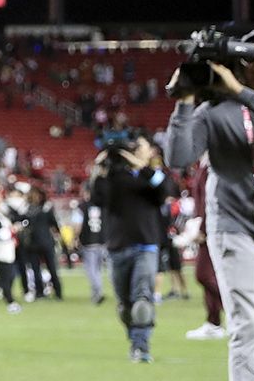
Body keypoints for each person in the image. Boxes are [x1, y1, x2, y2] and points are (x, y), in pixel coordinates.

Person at [165, 27, 254, 379]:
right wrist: (184, 102)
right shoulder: (214, 110)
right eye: (252, 53)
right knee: (249, 327)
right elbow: (177, 157)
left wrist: (240, 92)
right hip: (234, 229)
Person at [94, 134, 170, 363]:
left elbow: (165, 189)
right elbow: (97, 198)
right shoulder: (114, 178)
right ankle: (135, 339)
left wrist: (142, 167)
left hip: (145, 245)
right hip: (117, 246)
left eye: (140, 146)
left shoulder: (150, 176)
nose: (135, 150)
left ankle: (141, 346)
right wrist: (100, 169)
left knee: (142, 298)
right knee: (124, 306)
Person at [186, 156, 229, 340]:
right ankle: (214, 322)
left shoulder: (213, 165)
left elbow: (209, 199)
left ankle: (242, 312)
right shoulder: (204, 165)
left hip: (213, 229)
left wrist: (202, 228)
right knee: (210, 276)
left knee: (203, 275)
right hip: (207, 227)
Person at [78, 192, 111, 306]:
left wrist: (76, 238)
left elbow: (78, 223)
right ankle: (96, 292)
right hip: (102, 241)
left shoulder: (83, 206)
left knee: (91, 269)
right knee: (98, 269)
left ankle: (97, 291)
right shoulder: (104, 205)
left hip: (88, 241)